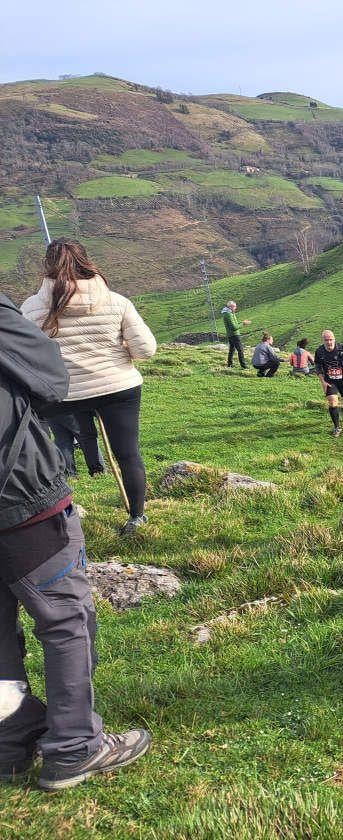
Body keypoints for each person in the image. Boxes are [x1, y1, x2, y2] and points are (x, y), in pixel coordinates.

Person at [0, 290, 152, 791]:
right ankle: (73, 746)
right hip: (18, 492)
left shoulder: (33, 303)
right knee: (65, 617)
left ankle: (9, 742)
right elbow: (51, 378)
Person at [21, 239, 157, 537]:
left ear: (48, 266)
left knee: (48, 448)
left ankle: (54, 515)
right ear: (87, 262)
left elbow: (26, 356)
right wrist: (119, 349)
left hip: (63, 393)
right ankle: (136, 516)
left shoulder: (32, 308)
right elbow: (145, 350)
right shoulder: (117, 301)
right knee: (128, 454)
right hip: (117, 386)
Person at [314, 330, 343, 436]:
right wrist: (322, 381)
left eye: (331, 339)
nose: (329, 342)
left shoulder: (342, 349)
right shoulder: (319, 351)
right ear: (322, 340)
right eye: (326, 340)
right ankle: (337, 427)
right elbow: (317, 366)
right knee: (332, 402)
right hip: (330, 381)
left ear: (334, 339)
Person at [46, 412, 105, 477]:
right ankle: (98, 472)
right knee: (86, 439)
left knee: (62, 442)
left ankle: (69, 474)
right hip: (70, 409)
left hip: (49, 410)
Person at [222, 300, 246, 369]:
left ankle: (230, 364)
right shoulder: (228, 314)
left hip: (231, 335)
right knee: (240, 350)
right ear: (231, 307)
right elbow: (234, 327)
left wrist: (241, 323)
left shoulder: (229, 313)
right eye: (235, 306)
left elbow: (234, 325)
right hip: (234, 335)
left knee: (232, 350)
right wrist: (243, 324)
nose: (236, 308)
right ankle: (244, 366)